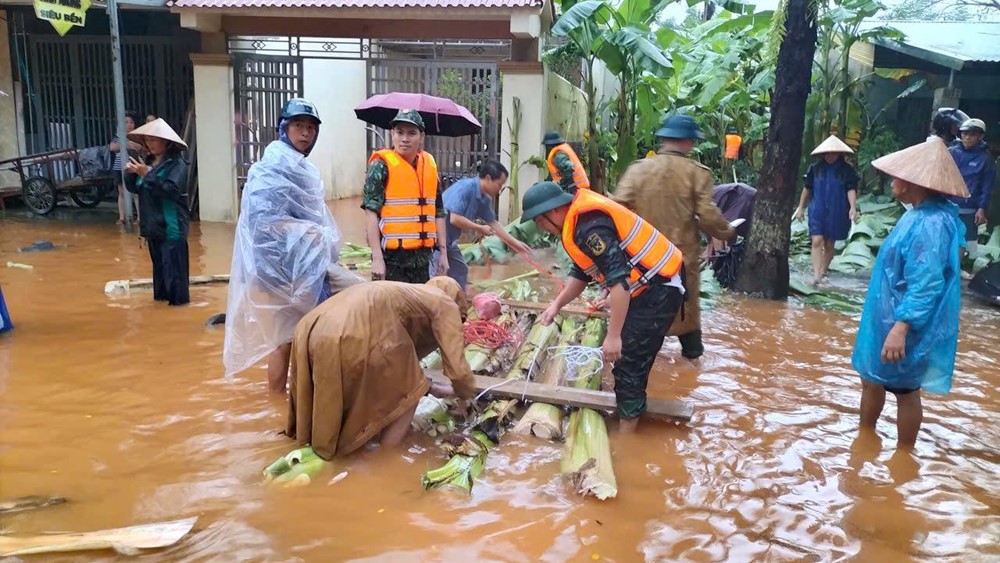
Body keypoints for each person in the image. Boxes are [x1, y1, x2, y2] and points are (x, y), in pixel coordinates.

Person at [520, 181, 685, 433]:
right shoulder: (577, 224)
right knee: (629, 362)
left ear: (554, 210)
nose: (541, 227)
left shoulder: (589, 227)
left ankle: (627, 441)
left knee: (628, 363)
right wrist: (556, 305)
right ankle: (630, 417)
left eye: (540, 221)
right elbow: (582, 273)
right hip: (648, 284)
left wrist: (614, 336)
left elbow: (620, 282)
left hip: (659, 288)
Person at [224, 98, 351, 392]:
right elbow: (263, 222)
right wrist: (311, 232)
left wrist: (317, 239)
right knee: (288, 341)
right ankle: (284, 401)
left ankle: (297, 398)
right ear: (284, 128)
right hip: (280, 270)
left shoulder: (302, 168)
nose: (305, 133)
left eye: (310, 128)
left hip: (308, 267)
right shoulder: (270, 168)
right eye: (298, 126)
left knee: (302, 336)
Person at [852, 138, 968, 451]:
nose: (892, 181)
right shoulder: (921, 213)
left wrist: (902, 326)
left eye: (897, 176)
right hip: (888, 316)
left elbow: (927, 281)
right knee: (871, 379)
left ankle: (904, 455)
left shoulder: (931, 223)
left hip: (902, 320)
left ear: (913, 182)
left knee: (905, 390)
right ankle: (866, 438)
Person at [286, 277, 475, 460]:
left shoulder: (409, 294)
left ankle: (322, 445)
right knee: (411, 392)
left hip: (310, 327)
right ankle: (385, 458)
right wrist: (464, 396)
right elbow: (458, 371)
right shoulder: (445, 303)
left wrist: (432, 387)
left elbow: (396, 366)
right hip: (350, 332)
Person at [613, 115, 735, 361]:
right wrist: (728, 232)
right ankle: (692, 364)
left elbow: (616, 209)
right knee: (686, 316)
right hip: (680, 261)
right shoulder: (696, 173)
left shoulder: (638, 170)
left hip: (643, 258)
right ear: (689, 142)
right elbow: (708, 215)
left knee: (641, 318)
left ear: (665, 139)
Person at [363, 110, 448, 283]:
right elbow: (370, 212)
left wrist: (443, 254)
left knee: (421, 300)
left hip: (422, 260)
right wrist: (377, 259)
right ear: (392, 134)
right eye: (400, 132)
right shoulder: (380, 166)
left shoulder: (429, 165)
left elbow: (438, 212)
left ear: (421, 137)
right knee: (389, 301)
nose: (405, 139)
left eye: (411, 133)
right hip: (391, 260)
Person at [435, 159, 531, 290]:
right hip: (434, 239)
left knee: (461, 270)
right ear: (488, 178)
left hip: (448, 241)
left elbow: (494, 224)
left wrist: (515, 243)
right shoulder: (465, 188)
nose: (499, 189)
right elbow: (455, 219)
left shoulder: (484, 199)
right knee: (436, 274)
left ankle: (460, 299)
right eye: (499, 185)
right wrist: (479, 228)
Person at [124, 118, 190, 306]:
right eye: (147, 140)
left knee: (175, 278)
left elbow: (171, 190)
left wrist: (147, 174)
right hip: (153, 227)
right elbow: (136, 188)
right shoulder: (147, 162)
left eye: (153, 140)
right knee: (160, 279)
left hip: (171, 227)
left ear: (166, 142)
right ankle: (161, 312)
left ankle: (178, 313)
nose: (149, 144)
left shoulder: (177, 165)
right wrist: (130, 174)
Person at [795, 135, 859, 286]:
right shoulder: (815, 169)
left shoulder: (847, 170)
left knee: (829, 244)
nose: (830, 156)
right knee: (817, 240)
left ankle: (823, 270)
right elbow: (807, 188)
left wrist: (853, 207)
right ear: (823, 154)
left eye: (834, 153)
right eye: (828, 153)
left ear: (839, 154)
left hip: (837, 209)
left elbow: (851, 189)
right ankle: (816, 275)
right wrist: (800, 208)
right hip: (817, 209)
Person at [948, 118, 995, 264]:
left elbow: (987, 186)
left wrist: (981, 208)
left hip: (970, 207)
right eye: (965, 134)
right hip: (948, 204)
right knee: (945, 236)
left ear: (980, 136)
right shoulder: (951, 152)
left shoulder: (986, 158)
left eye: (972, 134)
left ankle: (964, 267)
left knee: (968, 240)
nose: (967, 137)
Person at [109, 111, 142, 225]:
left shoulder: (137, 136)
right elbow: (112, 147)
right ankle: (122, 217)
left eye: (131, 122)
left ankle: (139, 218)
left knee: (136, 193)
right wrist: (125, 144)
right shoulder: (118, 136)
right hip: (119, 168)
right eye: (126, 122)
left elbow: (141, 147)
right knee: (121, 192)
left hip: (134, 166)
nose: (129, 125)